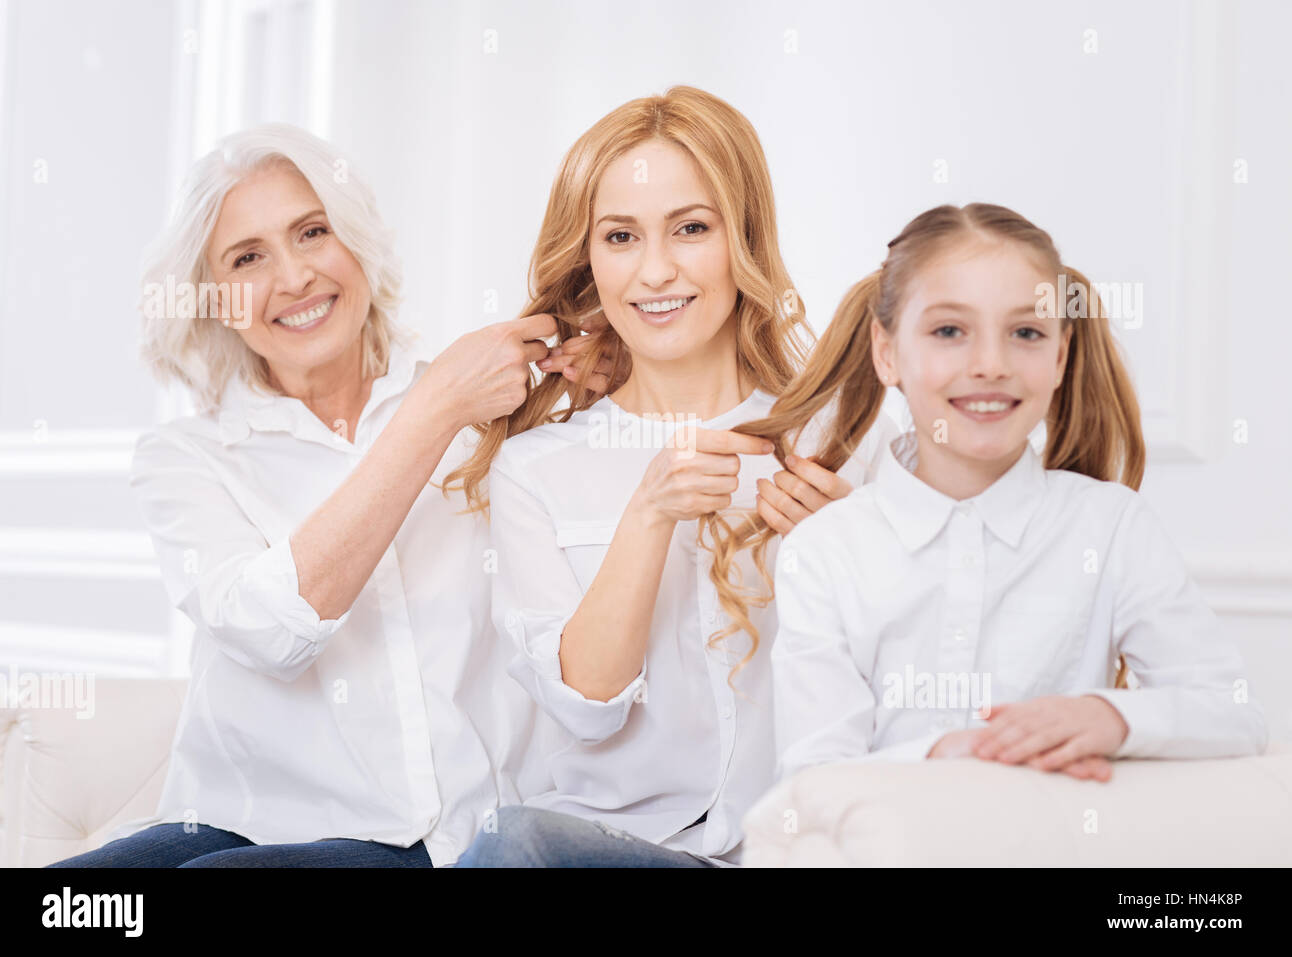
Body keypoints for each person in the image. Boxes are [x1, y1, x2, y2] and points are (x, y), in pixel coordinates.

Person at [49, 123, 612, 868]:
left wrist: (608, 385)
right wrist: (434, 408)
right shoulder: (185, 460)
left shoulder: (487, 408)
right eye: (248, 257)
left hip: (427, 838)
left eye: (312, 232)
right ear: (214, 297)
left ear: (357, 244)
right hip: (231, 822)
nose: (293, 278)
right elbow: (270, 627)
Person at [452, 87, 901, 868]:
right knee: (510, 840)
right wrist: (649, 514)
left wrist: (852, 548)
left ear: (744, 238)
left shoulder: (846, 439)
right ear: (589, 259)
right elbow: (584, 707)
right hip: (613, 852)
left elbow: (923, 689)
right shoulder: (537, 469)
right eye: (621, 236)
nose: (655, 271)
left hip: (794, 850)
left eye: (691, 228)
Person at [761, 203, 1266, 786]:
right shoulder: (827, 549)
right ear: (887, 352)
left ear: (1059, 355)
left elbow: (1234, 712)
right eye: (949, 331)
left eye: (1025, 333)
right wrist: (945, 755)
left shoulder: (1111, 527)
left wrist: (1108, 715)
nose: (990, 365)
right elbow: (813, 778)